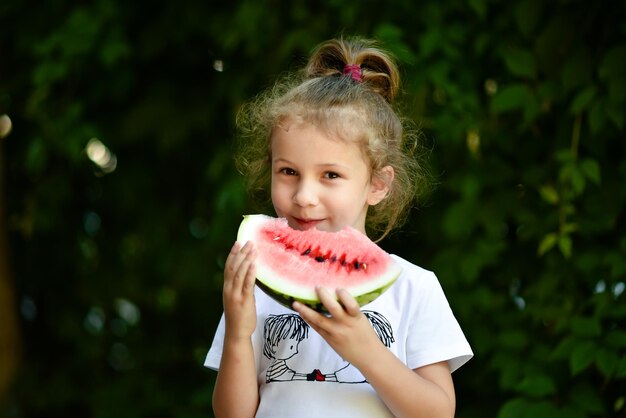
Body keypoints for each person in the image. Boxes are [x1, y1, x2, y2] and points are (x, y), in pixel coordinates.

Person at [205, 36, 473, 418]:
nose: (304, 196)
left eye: (330, 174)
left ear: (377, 184)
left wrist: (367, 351)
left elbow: (438, 413)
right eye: (288, 172)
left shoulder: (413, 288)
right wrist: (236, 333)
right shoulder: (257, 289)